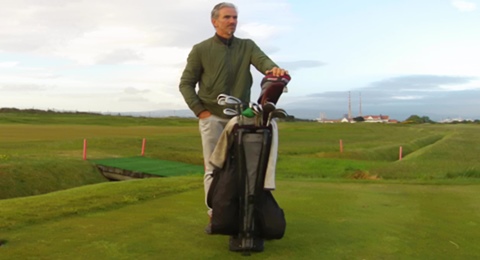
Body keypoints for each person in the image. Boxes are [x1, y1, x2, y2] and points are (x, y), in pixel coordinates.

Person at [178, 2, 289, 231]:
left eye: (235, 17)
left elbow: (265, 63)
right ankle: (216, 214)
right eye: (227, 17)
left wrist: (274, 70)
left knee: (244, 165)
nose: (232, 21)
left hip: (240, 117)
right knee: (213, 168)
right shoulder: (201, 49)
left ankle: (240, 211)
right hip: (212, 117)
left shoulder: (247, 46)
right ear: (215, 21)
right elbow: (186, 84)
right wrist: (201, 112)